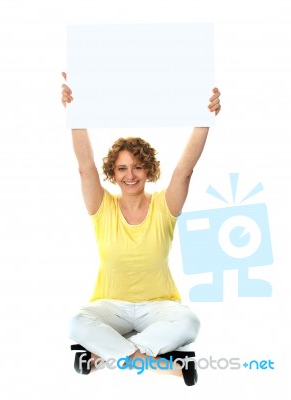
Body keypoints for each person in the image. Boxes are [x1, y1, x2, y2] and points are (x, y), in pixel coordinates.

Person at [61, 72, 221, 383]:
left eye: (137, 166)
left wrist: (206, 117)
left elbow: (185, 170)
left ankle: (100, 355)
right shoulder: (102, 206)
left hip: (159, 306)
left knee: (189, 323)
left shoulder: (164, 206)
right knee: (77, 323)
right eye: (122, 168)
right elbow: (84, 167)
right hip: (110, 305)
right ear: (113, 172)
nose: (130, 175)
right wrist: (74, 113)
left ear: (148, 169)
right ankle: (162, 364)